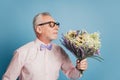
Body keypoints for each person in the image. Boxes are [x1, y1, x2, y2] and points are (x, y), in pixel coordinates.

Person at [2, 12, 88, 80]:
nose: (57, 28)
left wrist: (79, 68)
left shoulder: (59, 51)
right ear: (39, 29)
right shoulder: (22, 52)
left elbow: (72, 75)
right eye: (51, 24)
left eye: (57, 24)